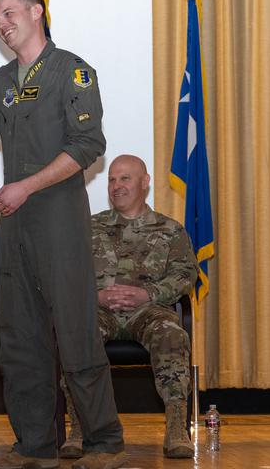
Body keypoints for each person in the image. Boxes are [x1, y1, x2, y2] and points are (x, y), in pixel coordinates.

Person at [0, 0, 126, 469]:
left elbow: (88, 145)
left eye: (9, 12)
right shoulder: (0, 82)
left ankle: (103, 444)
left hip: (58, 220)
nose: (2, 23)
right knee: (20, 338)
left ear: (37, 12)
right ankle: (34, 446)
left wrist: (27, 186)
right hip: (15, 225)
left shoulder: (73, 71)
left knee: (77, 333)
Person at [59, 154, 196, 460]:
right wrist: (96, 297)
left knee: (172, 334)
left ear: (145, 182)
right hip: (99, 310)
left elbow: (185, 275)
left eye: (125, 178)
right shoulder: (87, 227)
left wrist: (148, 294)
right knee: (78, 335)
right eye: (111, 179)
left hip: (148, 311)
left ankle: (176, 429)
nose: (116, 186)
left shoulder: (169, 229)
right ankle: (80, 428)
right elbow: (67, 274)